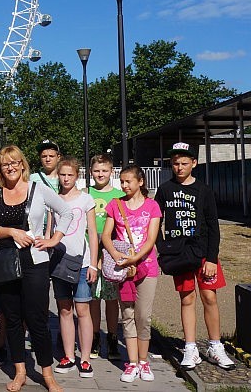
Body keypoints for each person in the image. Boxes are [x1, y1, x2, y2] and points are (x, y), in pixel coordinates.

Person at [0, 145, 72, 392]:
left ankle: (47, 374)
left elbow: (66, 212)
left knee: (37, 319)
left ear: (22, 164)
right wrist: (11, 232)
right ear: (0, 168)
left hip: (35, 262)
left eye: (14, 162)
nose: (10, 167)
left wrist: (54, 239)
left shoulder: (38, 189)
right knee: (12, 319)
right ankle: (20, 371)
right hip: (5, 261)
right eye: (5, 164)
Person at [154, 142, 235, 370]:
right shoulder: (165, 189)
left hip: (203, 254)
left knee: (210, 297)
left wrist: (211, 258)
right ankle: (190, 349)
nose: (179, 167)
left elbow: (212, 226)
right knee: (187, 298)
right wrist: (162, 246)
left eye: (184, 163)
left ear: (194, 164)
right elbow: (155, 219)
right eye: (176, 163)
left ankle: (215, 346)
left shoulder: (204, 190)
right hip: (178, 255)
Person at [102, 165, 161, 384]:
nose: (124, 185)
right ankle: (132, 362)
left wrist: (135, 259)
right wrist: (117, 254)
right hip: (123, 269)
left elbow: (151, 239)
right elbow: (106, 236)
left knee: (143, 316)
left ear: (140, 182)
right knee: (127, 315)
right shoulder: (115, 205)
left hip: (147, 267)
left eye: (129, 181)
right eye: (122, 182)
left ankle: (144, 361)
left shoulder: (152, 206)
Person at [48, 157, 98, 378]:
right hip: (59, 261)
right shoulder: (53, 200)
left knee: (83, 309)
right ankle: (68, 355)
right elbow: (50, 232)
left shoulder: (86, 199)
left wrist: (94, 264)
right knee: (64, 309)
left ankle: (85, 357)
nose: (66, 179)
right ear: (57, 175)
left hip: (82, 261)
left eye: (70, 175)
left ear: (77, 176)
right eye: (62, 175)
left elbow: (93, 234)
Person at [87, 153, 123, 360]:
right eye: (97, 171)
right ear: (91, 172)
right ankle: (93, 335)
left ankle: (111, 337)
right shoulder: (86, 193)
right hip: (89, 251)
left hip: (111, 252)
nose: (100, 174)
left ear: (111, 172)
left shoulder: (118, 195)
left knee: (111, 298)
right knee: (93, 297)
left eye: (104, 171)